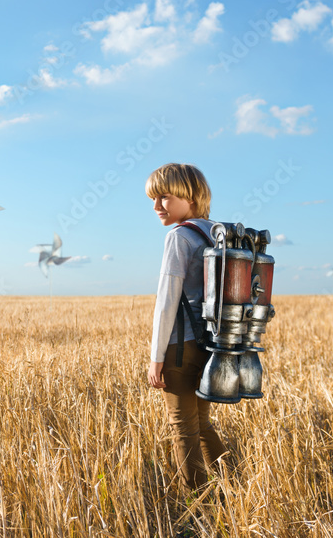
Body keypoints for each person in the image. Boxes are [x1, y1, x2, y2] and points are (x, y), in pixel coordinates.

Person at [145, 163, 227, 491]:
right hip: (212, 344)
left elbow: (167, 300)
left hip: (181, 347)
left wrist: (156, 357)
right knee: (202, 424)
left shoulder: (179, 236)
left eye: (164, 197)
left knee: (183, 429)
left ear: (190, 198)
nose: (156, 207)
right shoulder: (217, 233)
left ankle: (196, 505)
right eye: (153, 199)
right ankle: (240, 484)